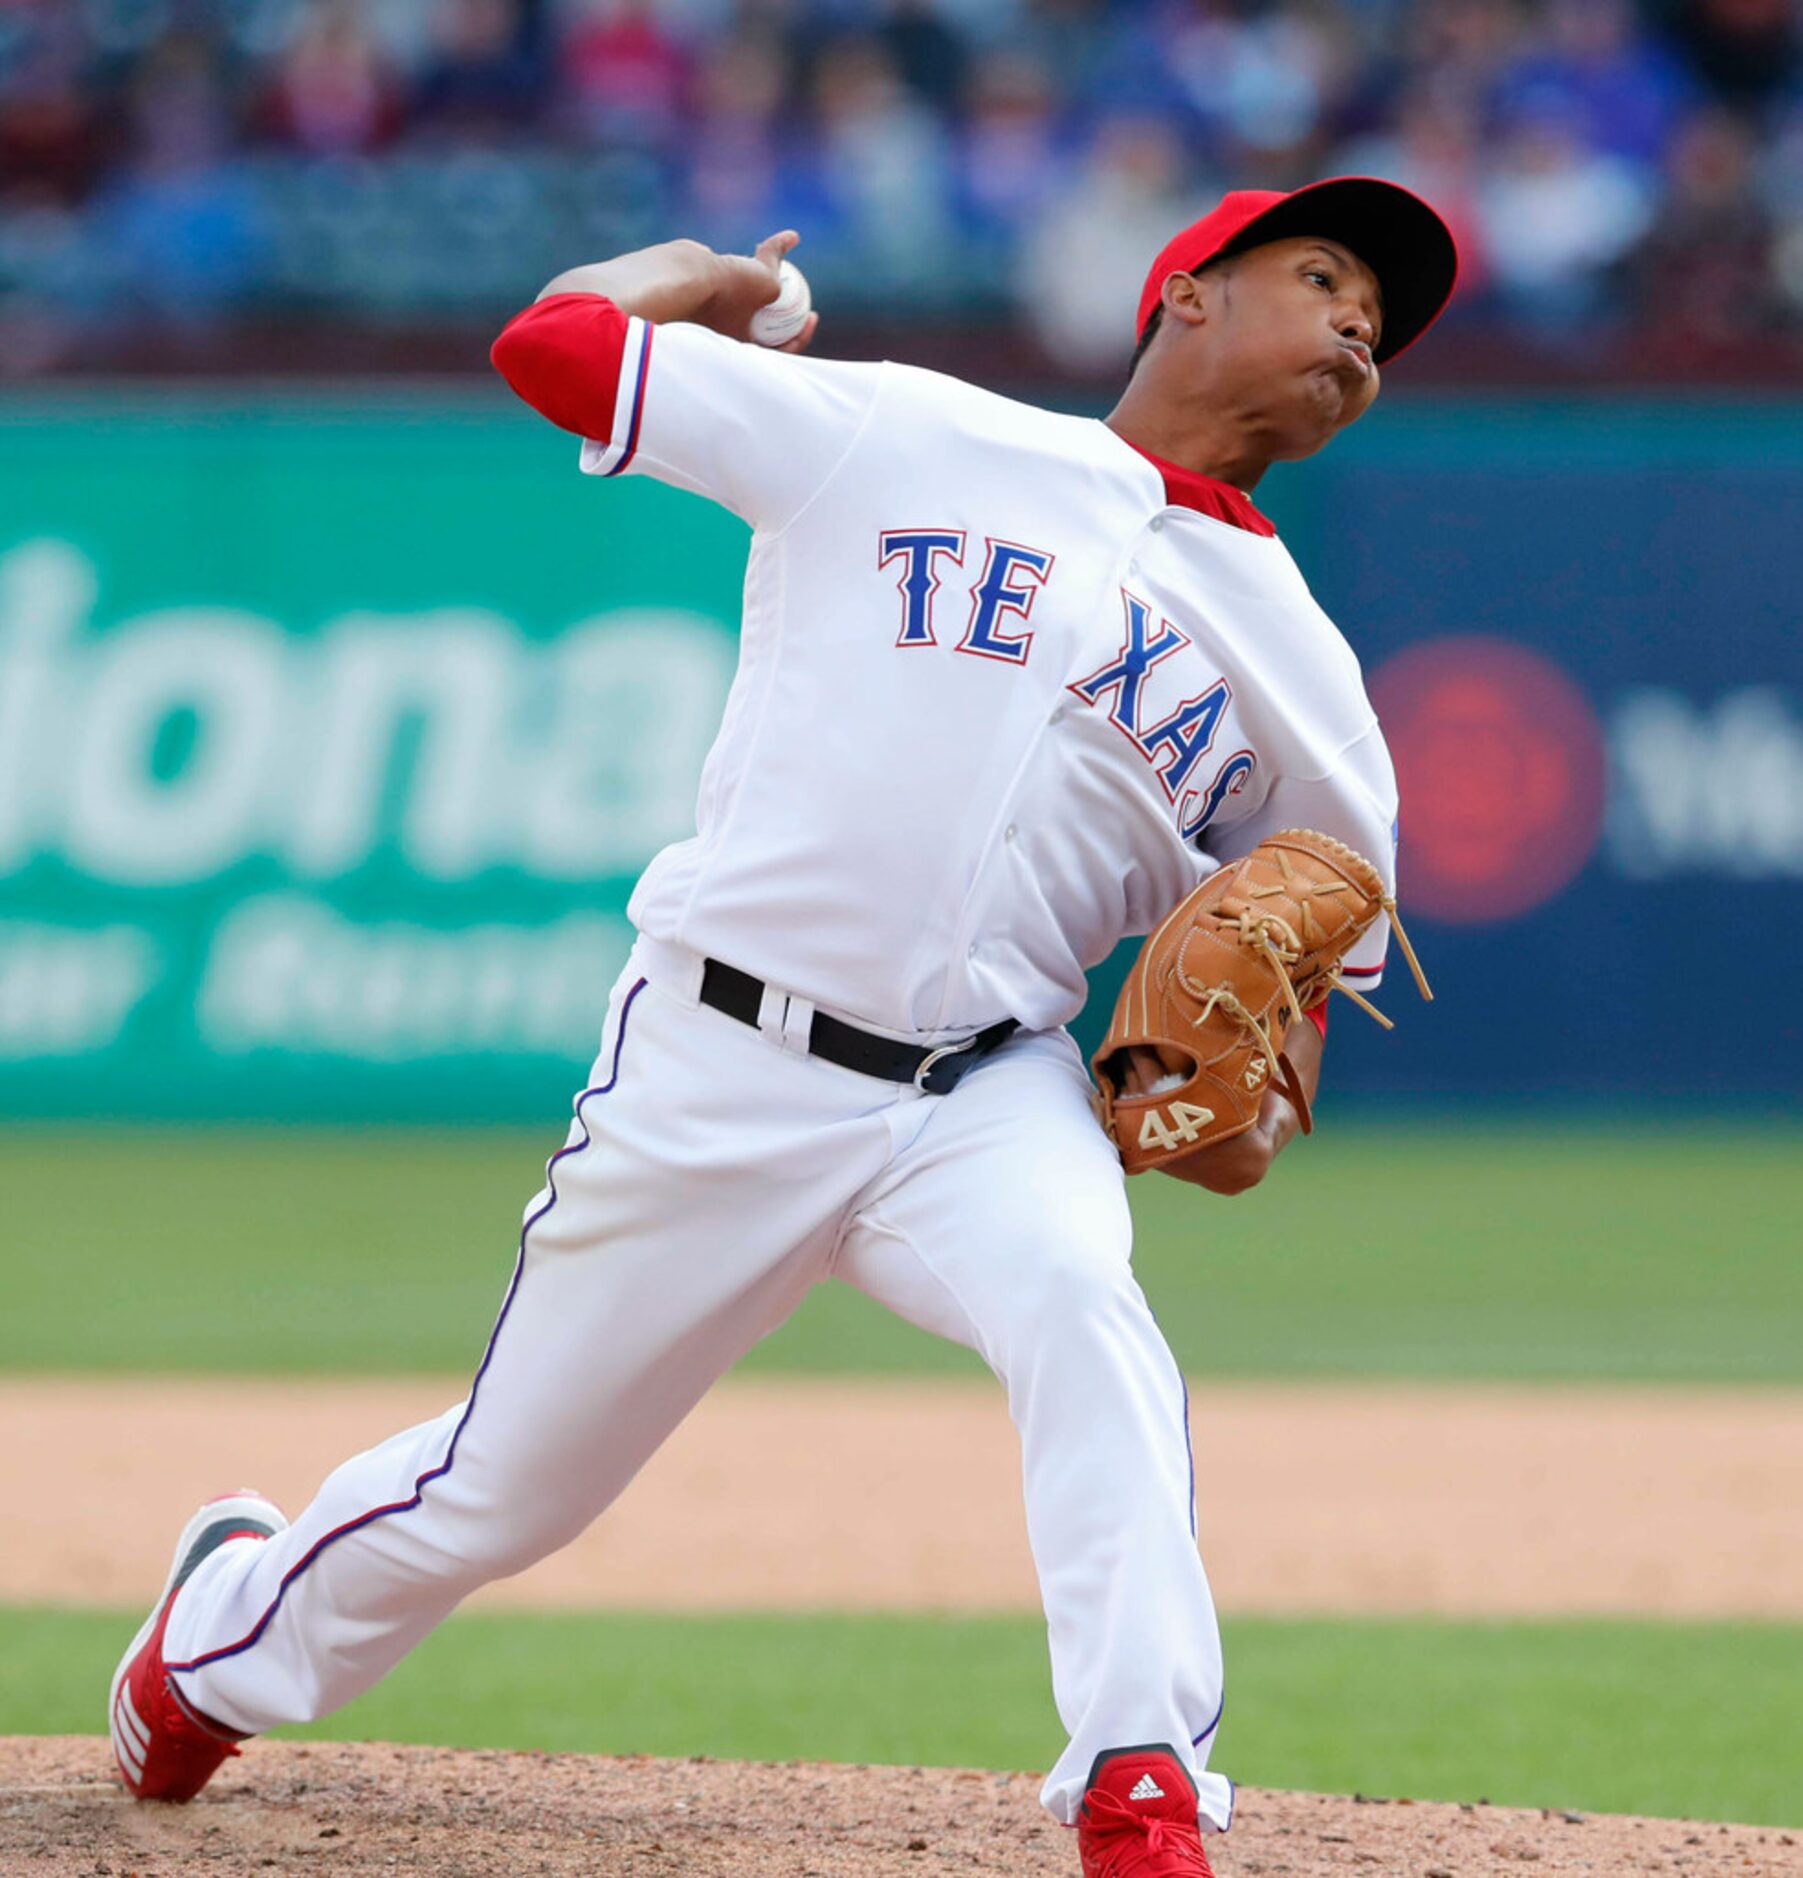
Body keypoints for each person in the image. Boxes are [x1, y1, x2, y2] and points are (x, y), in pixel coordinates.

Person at [109, 178, 1456, 1878]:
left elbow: (1322, 921)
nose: (1356, 329)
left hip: (988, 1090)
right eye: (1322, 277)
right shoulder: (898, 430)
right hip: (720, 1065)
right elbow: (559, 345)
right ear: (1183, 292)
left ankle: (1142, 1786)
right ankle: (213, 1646)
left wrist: (1258, 1101)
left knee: (1081, 1310)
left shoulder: (1307, 674)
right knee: (502, 1491)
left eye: (1380, 326)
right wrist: (708, 278)